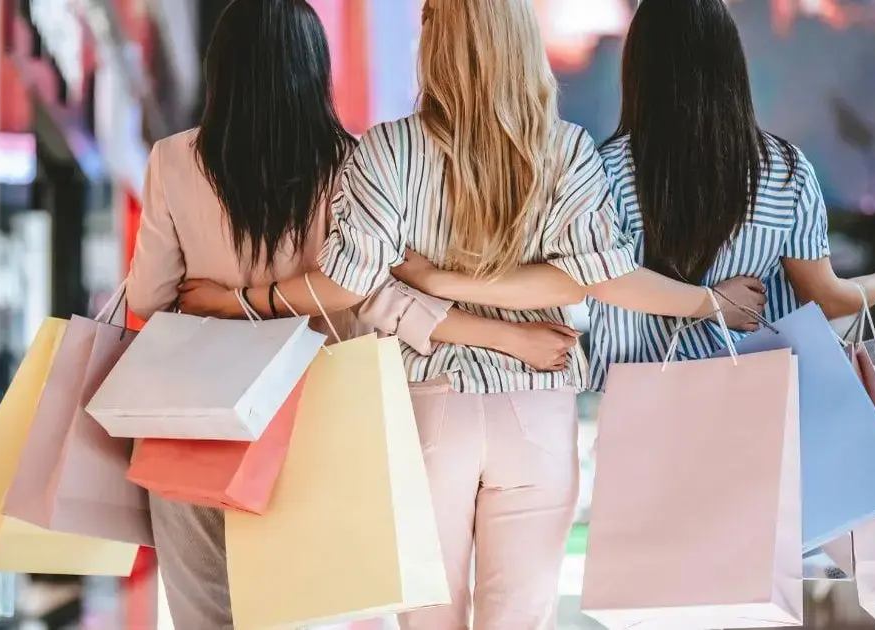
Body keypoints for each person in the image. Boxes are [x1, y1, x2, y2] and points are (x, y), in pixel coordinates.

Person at [177, 0, 767, 626]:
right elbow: (600, 276)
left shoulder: (388, 151)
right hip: (537, 410)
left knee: (426, 616)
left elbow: (347, 287)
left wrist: (241, 299)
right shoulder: (565, 151)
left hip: (426, 408)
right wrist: (709, 302)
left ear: (434, 43)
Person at [124, 1, 565, 626]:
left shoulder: (173, 159)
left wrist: (221, 294)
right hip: (324, 418)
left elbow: (145, 299)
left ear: (219, 67)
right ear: (315, 67)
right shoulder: (354, 163)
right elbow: (381, 298)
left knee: (208, 612)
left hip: (201, 419)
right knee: (332, 603)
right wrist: (500, 335)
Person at [389, 0, 875, 386]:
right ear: (731, 68)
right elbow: (828, 297)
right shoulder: (787, 172)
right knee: (752, 575)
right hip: (756, 415)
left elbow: (576, 279)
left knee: (646, 572)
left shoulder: (601, 170)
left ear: (638, 69)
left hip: (632, 411)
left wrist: (442, 282)